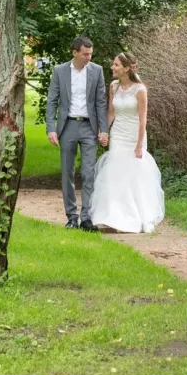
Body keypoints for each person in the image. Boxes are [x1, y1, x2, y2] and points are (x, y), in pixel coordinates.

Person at [90, 52, 164, 233]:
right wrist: (104, 131)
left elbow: (143, 119)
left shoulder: (140, 90)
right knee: (115, 174)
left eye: (116, 65)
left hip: (134, 135)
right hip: (118, 135)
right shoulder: (114, 86)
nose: (112, 67)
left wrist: (139, 145)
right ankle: (113, 216)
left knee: (133, 175)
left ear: (126, 68)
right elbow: (111, 112)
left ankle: (136, 216)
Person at [45, 36, 108, 231]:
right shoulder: (60, 71)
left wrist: (104, 129)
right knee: (68, 173)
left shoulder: (97, 71)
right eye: (85, 54)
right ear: (74, 53)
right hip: (68, 126)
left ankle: (86, 217)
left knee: (89, 172)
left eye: (90, 54)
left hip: (89, 127)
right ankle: (71, 217)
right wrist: (51, 128)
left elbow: (101, 102)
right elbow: (52, 100)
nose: (89, 57)